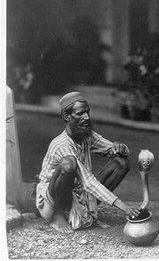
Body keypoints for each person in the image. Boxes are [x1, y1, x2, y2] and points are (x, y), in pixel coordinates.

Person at [36, 92, 141, 233]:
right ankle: (58, 216)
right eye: (80, 114)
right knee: (69, 163)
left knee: (121, 163)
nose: (86, 117)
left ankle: (88, 209)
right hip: (52, 200)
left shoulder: (87, 135)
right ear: (67, 117)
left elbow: (113, 149)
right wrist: (125, 207)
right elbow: (88, 181)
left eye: (87, 112)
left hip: (77, 191)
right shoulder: (61, 144)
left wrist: (121, 147)